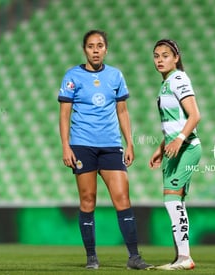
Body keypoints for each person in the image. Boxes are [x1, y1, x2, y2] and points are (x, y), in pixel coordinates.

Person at [57, 29, 152, 270]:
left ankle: (134, 257)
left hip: (111, 146)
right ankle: (91, 257)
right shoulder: (72, 76)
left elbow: (122, 110)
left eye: (100, 45)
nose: (96, 50)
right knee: (88, 201)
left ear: (106, 49)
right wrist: (66, 146)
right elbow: (64, 114)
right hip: (83, 146)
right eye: (91, 46)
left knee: (123, 199)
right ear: (84, 50)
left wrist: (129, 142)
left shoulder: (115, 76)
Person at [149, 39, 201, 270]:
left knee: (171, 198)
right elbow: (174, 123)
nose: (160, 59)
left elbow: (194, 116)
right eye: (157, 55)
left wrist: (179, 140)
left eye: (165, 55)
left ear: (176, 58)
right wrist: (161, 148)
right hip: (176, 149)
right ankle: (181, 257)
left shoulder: (178, 78)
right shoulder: (166, 83)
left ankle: (184, 258)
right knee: (175, 201)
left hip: (187, 147)